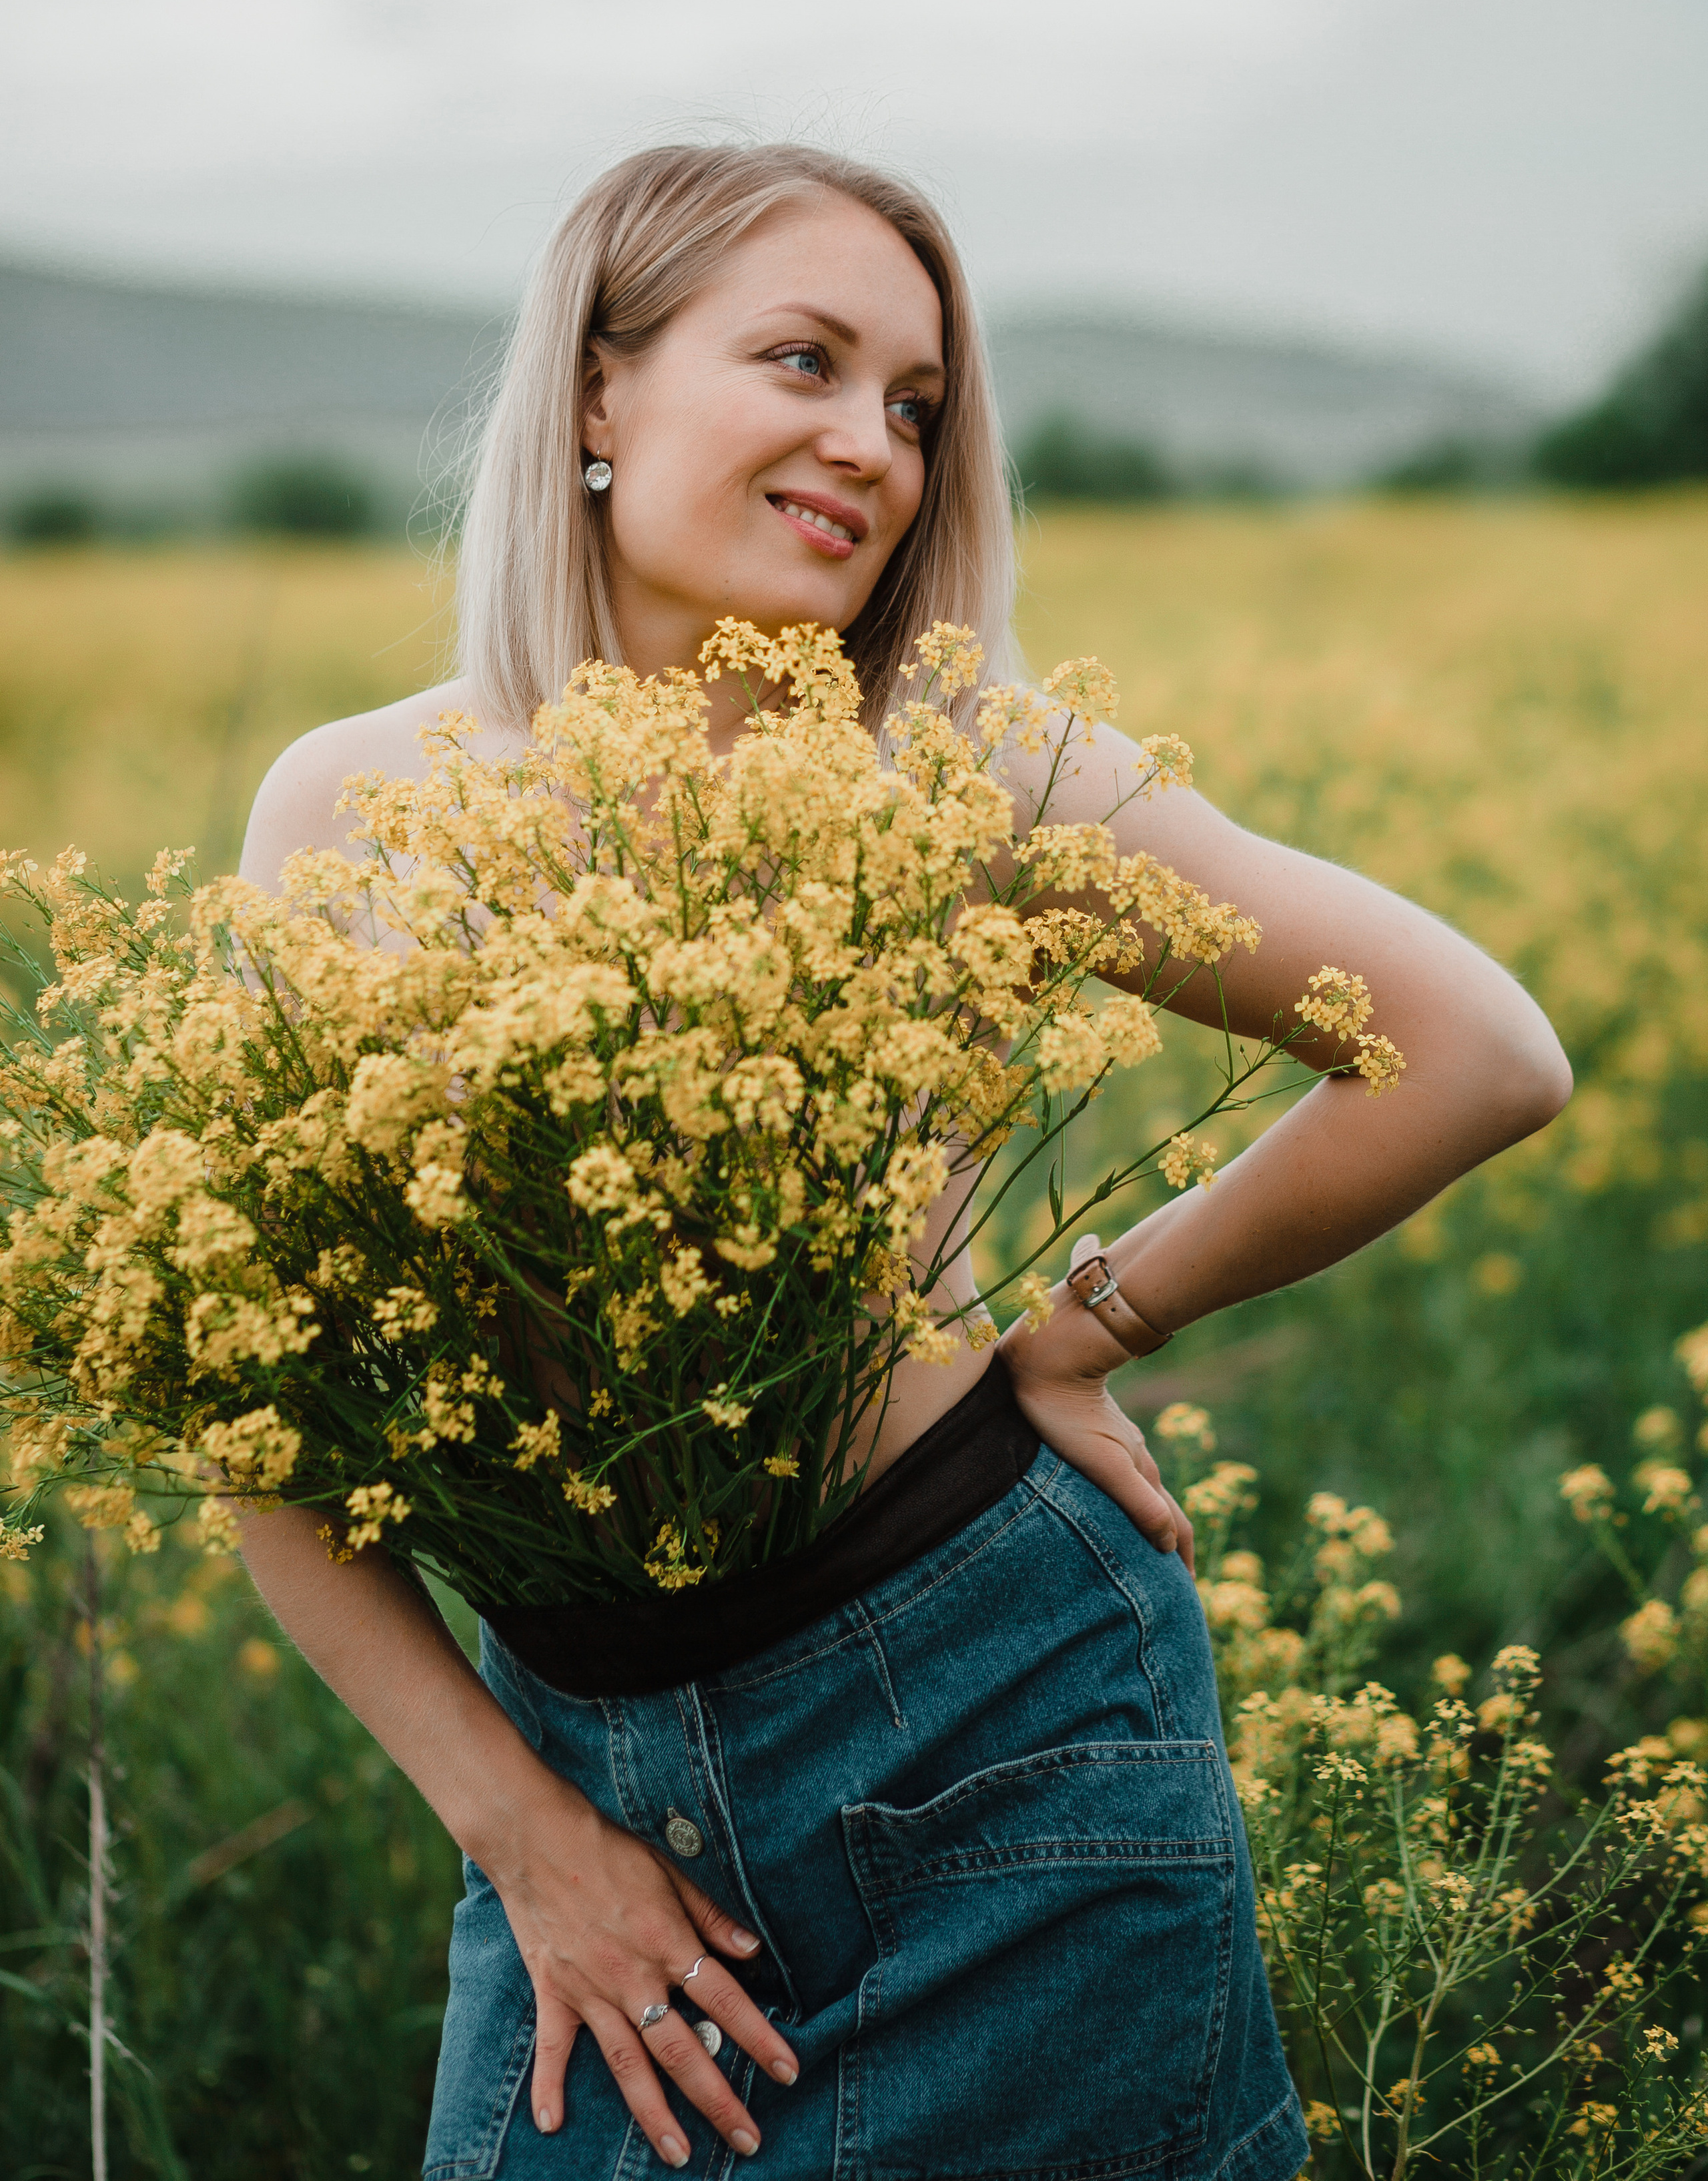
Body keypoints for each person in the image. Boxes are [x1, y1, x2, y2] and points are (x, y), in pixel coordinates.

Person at [236, 144, 1572, 2180]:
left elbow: (1475, 1050)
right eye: (805, 362)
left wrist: (1091, 1323)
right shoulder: (347, 810)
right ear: (597, 389)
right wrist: (526, 1839)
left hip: (1000, 1721)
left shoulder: (962, 767)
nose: (872, 443)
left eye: (918, 405)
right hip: (570, 1765)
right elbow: (266, 1427)